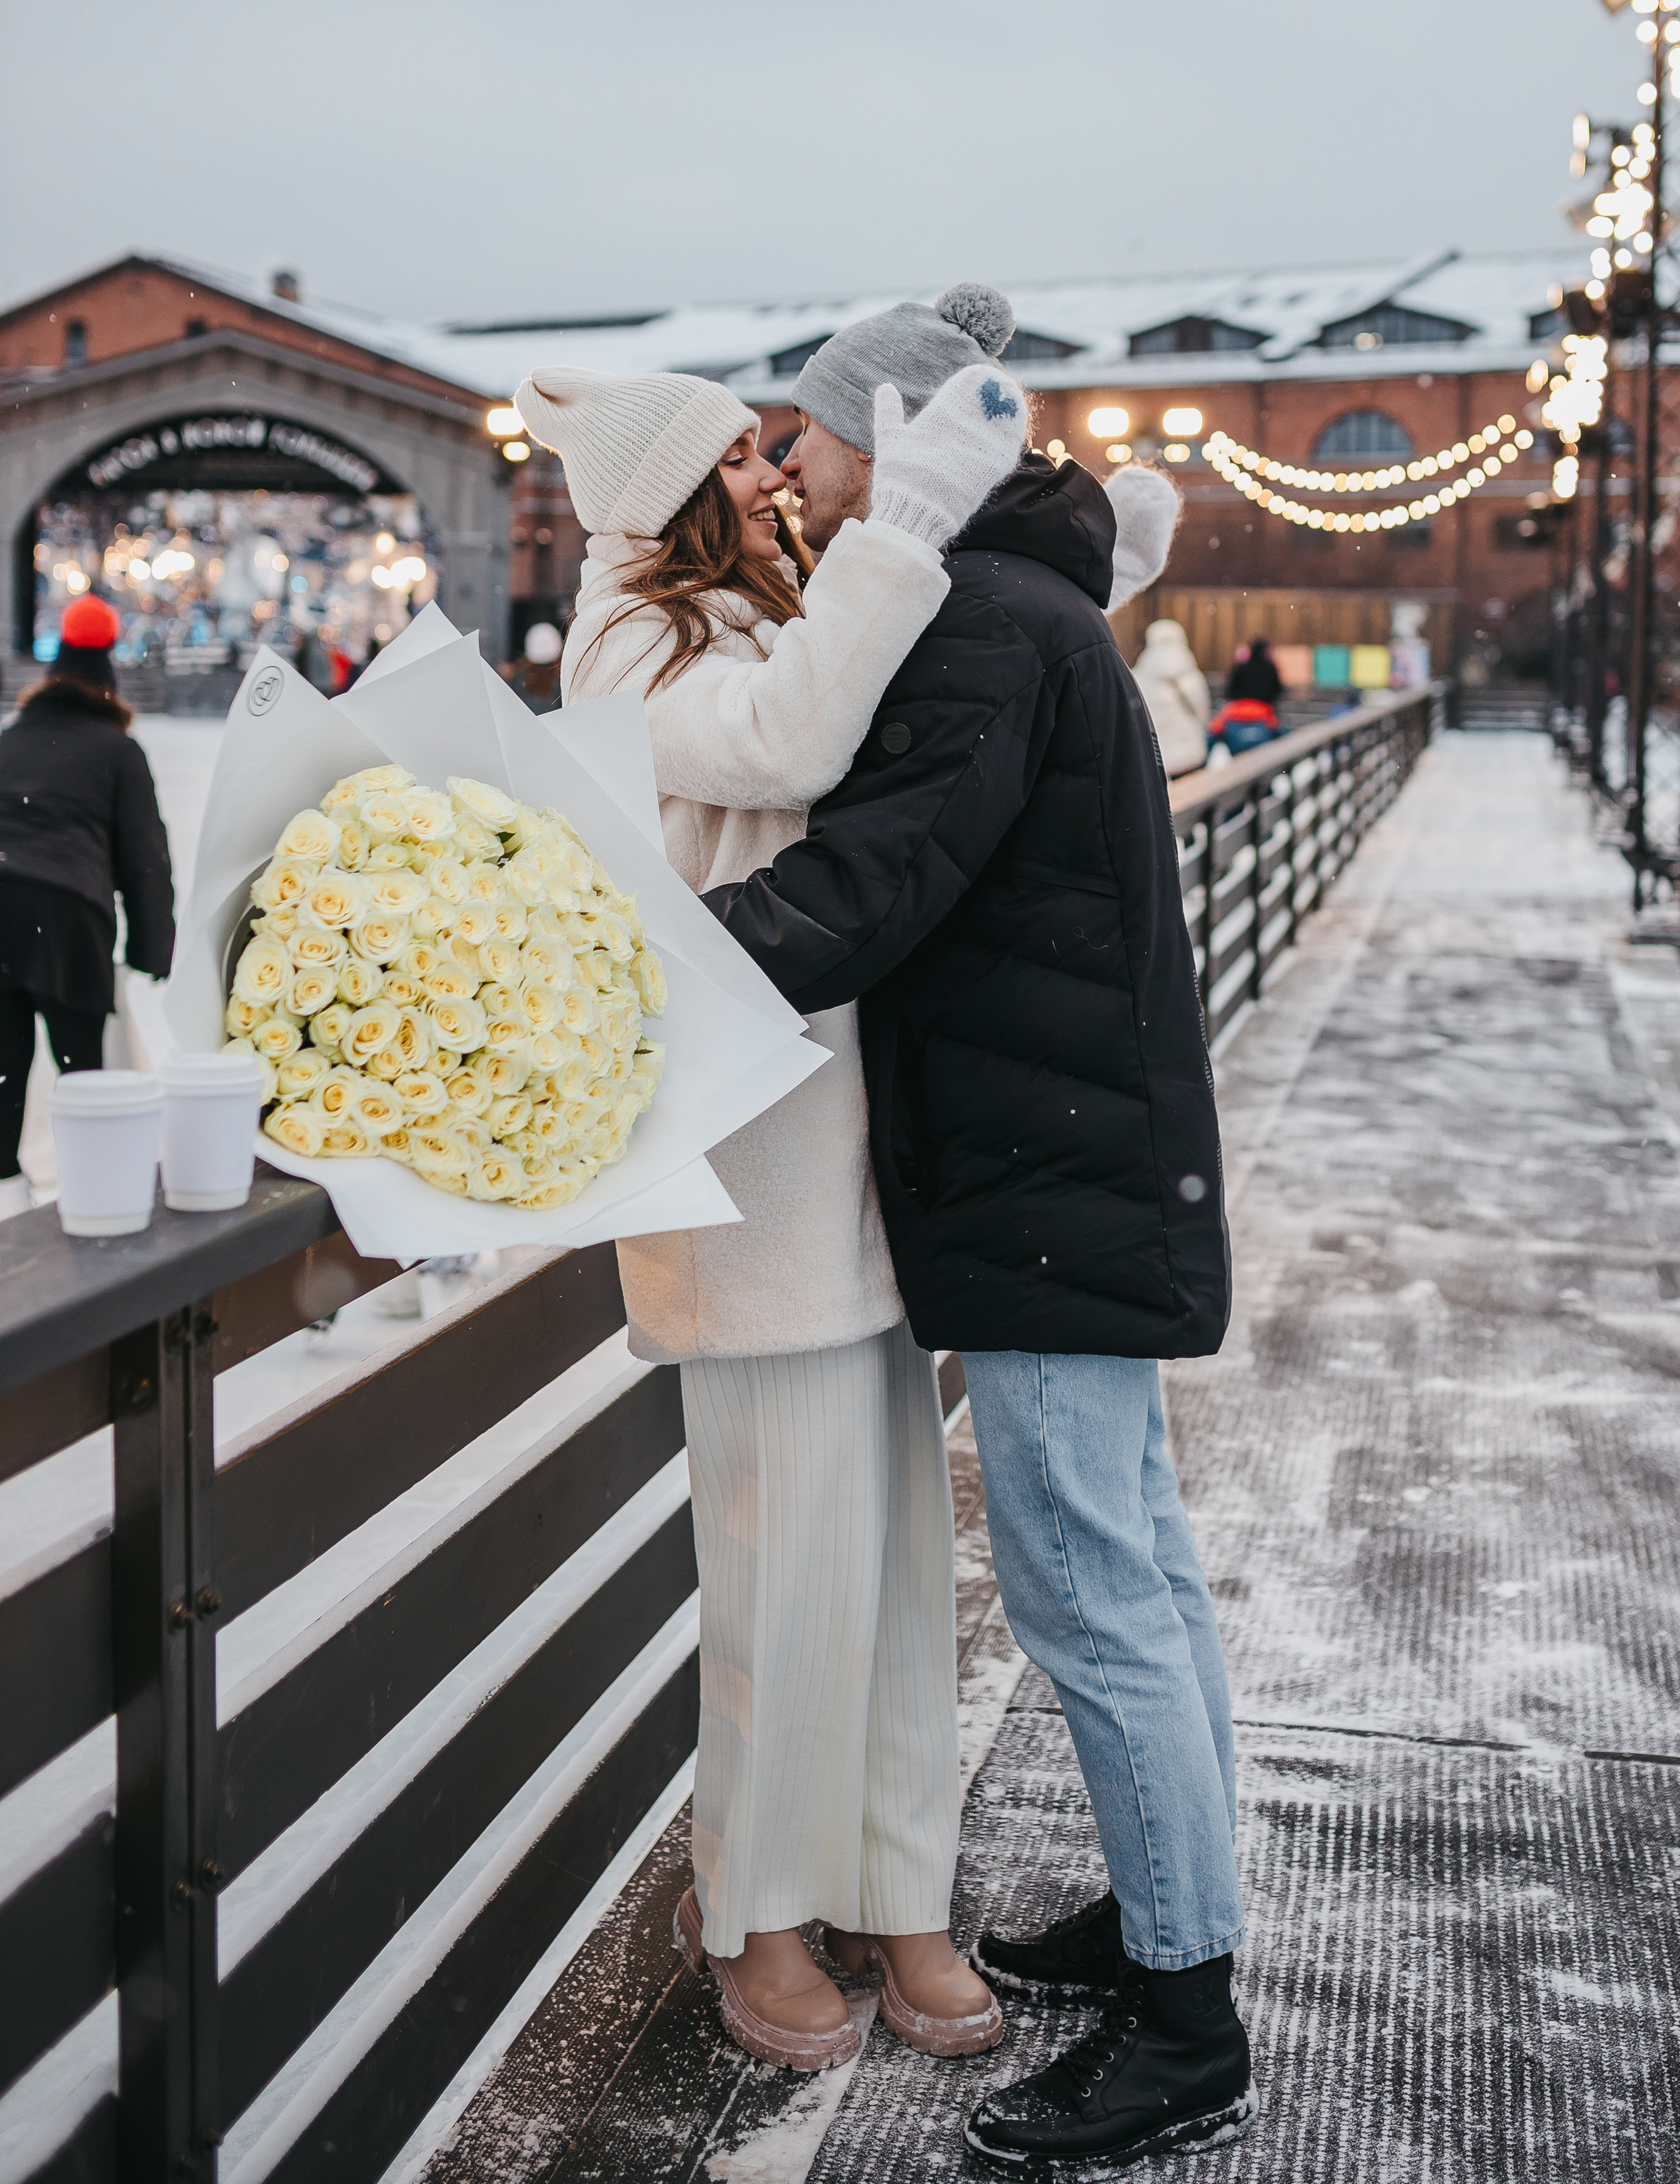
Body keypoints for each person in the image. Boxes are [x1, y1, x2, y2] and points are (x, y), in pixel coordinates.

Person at [702, 293, 1251, 2174]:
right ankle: (1171, 1911)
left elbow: (858, 895)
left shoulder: (975, 622)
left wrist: (605, 961)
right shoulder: (1032, 606)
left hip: (1040, 1178)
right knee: (1140, 1570)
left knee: (1092, 1592)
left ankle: (1185, 2021)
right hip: (1074, 1157)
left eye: (803, 435)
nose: (787, 468)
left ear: (884, 438)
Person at [517, 299, 1030, 2075]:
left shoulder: (761, 613)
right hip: (746, 1202)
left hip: (856, 1185)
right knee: (779, 1587)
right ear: (670, 498)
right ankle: (749, 1908)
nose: (773, 467)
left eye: (767, 442)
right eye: (737, 453)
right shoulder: (625, 654)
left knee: (890, 1576)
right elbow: (794, 750)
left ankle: (895, 1888)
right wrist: (907, 521)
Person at [0, 596, 175, 1221]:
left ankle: (6, 1204)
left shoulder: (9, 742)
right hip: (68, 918)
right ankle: (93, 1201)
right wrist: (152, 951)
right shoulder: (117, 751)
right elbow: (145, 860)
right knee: (82, 1074)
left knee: (3, 1069)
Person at [1132, 616, 1212, 779]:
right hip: (1191, 754)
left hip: (1154, 756)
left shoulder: (1137, 677)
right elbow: (1203, 715)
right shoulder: (1192, 677)